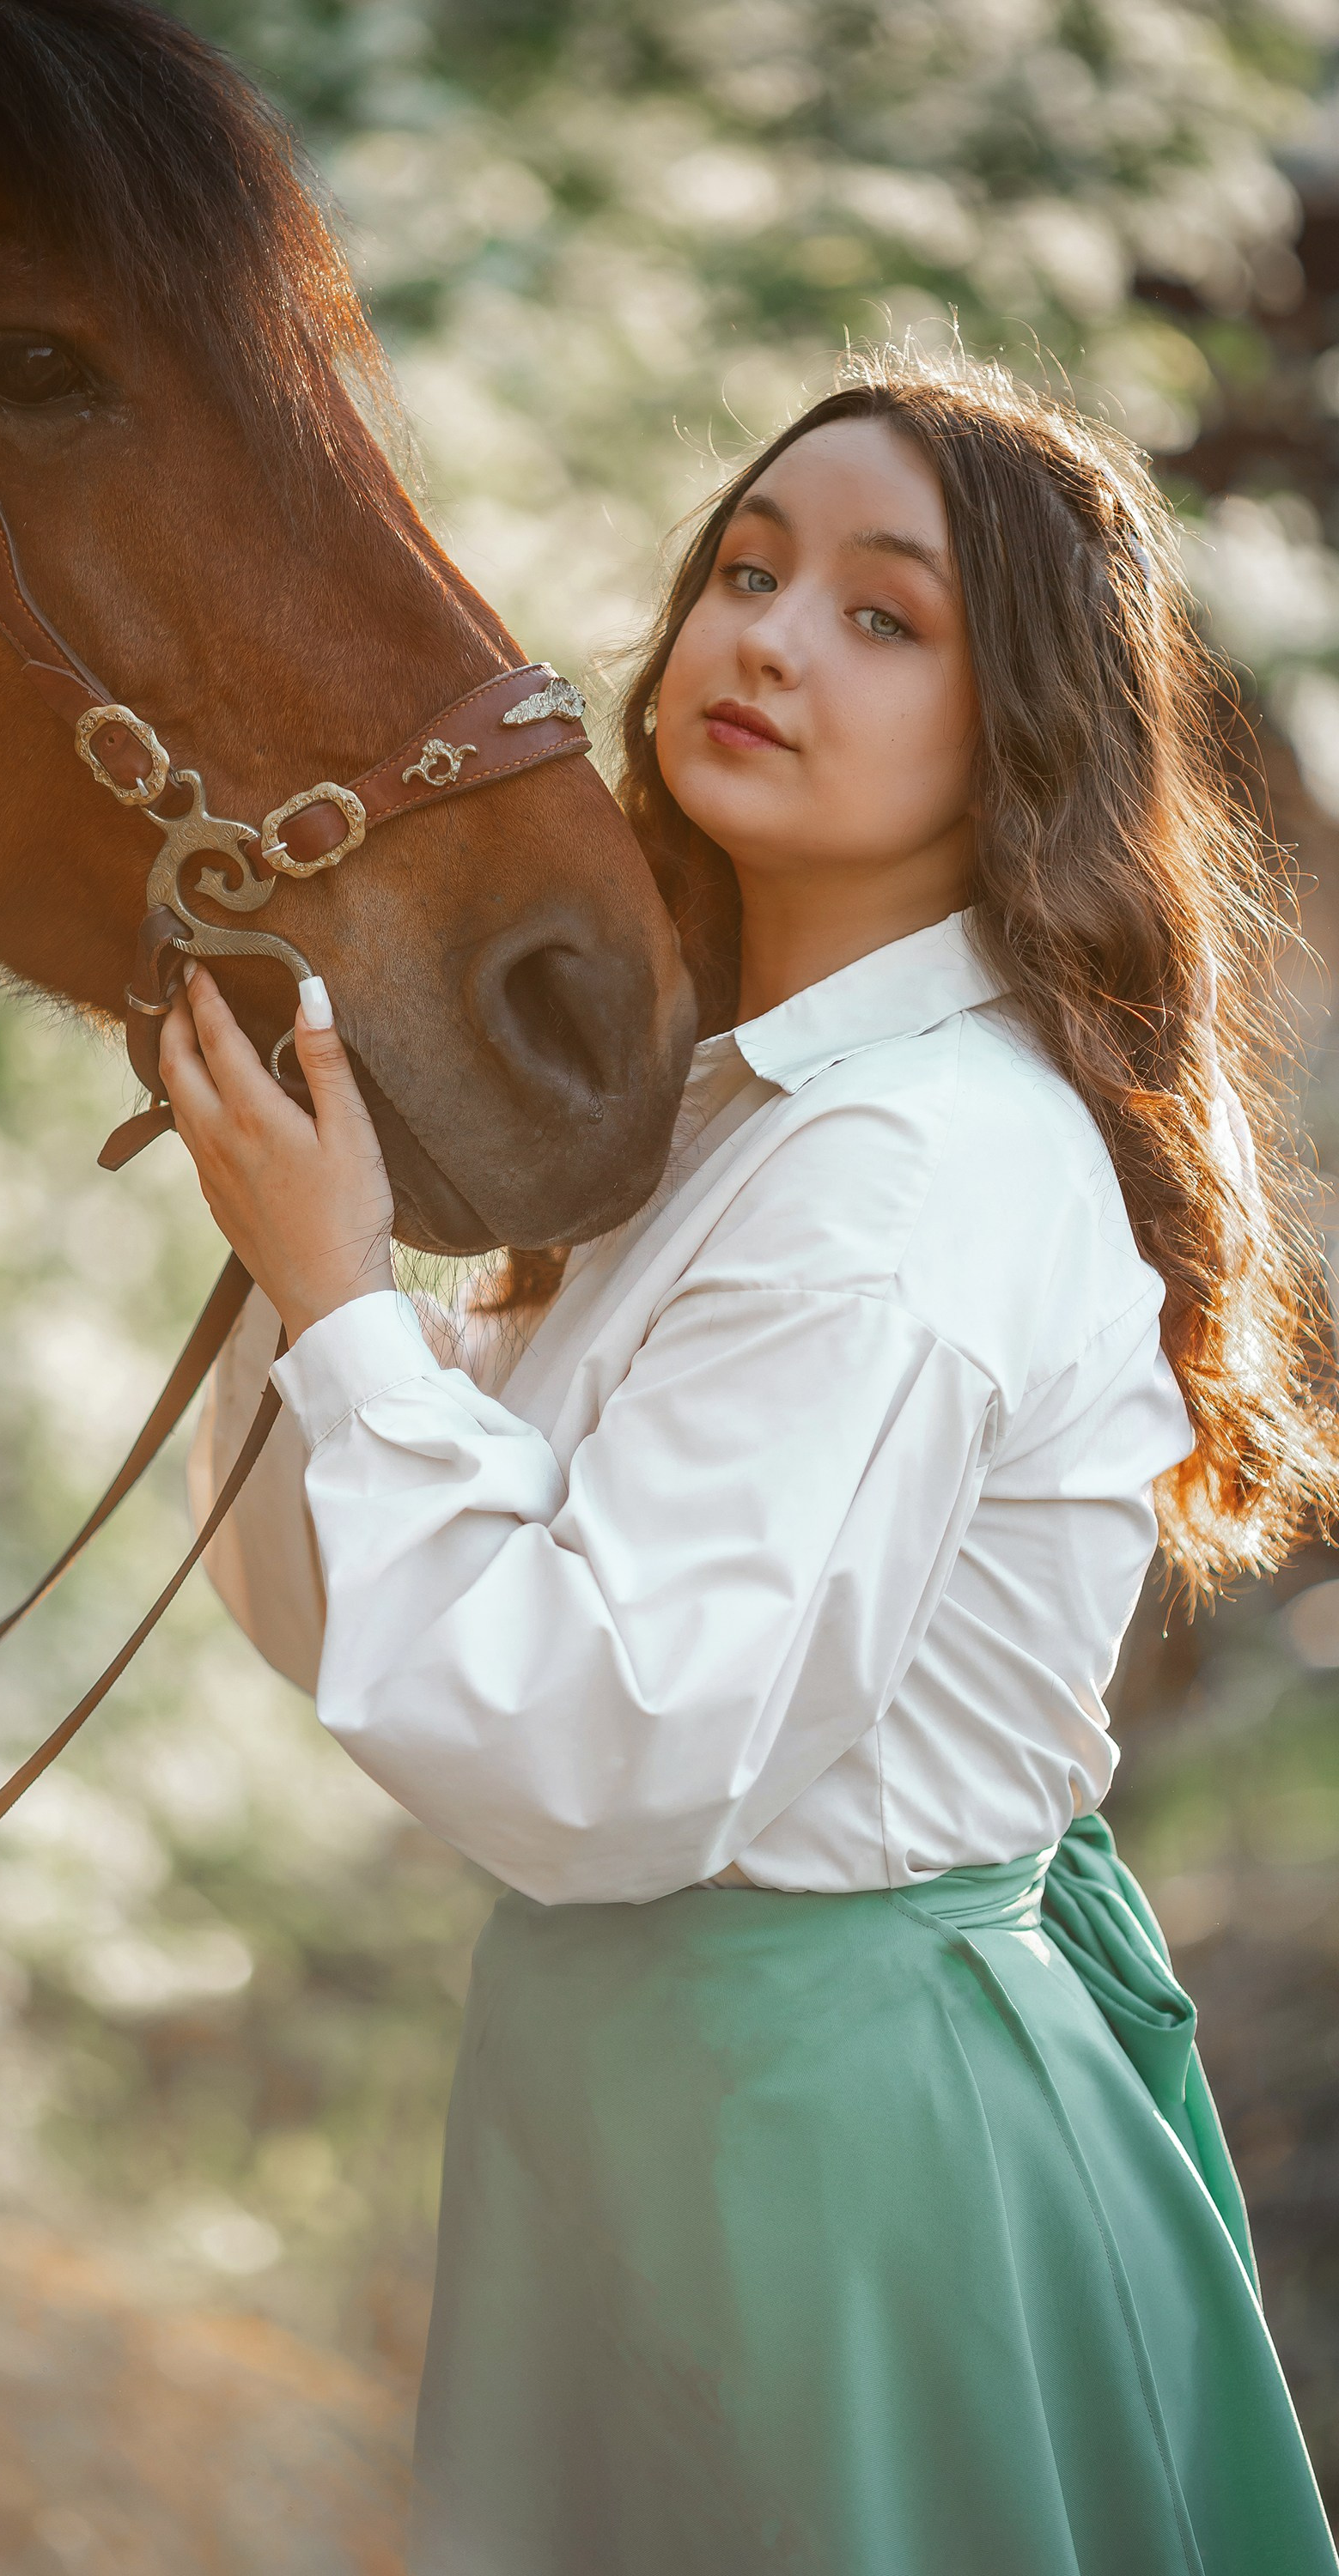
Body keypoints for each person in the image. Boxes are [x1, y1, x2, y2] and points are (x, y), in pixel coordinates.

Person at [160, 347, 1339, 2574]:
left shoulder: (903, 1173)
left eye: (885, 617)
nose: (773, 638)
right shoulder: (733, 1120)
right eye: (747, 571)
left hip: (825, 2140)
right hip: (675, 2103)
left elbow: (592, 1746)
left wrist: (335, 1306)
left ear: (1029, 732)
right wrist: (305, 1265)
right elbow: (378, 1604)